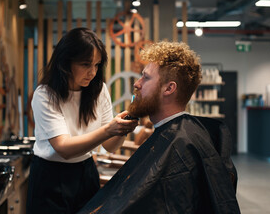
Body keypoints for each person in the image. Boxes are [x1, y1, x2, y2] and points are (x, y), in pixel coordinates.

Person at [78, 41, 240, 213]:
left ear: (169, 88)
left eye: (146, 77)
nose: (137, 84)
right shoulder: (185, 135)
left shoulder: (180, 144)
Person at [26, 27, 138, 214]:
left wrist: (121, 130)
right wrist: (109, 130)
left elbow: (110, 146)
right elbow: (63, 148)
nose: (92, 72)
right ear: (65, 62)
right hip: (50, 177)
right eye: (86, 64)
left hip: (86, 172)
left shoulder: (99, 90)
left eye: (96, 65)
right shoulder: (45, 95)